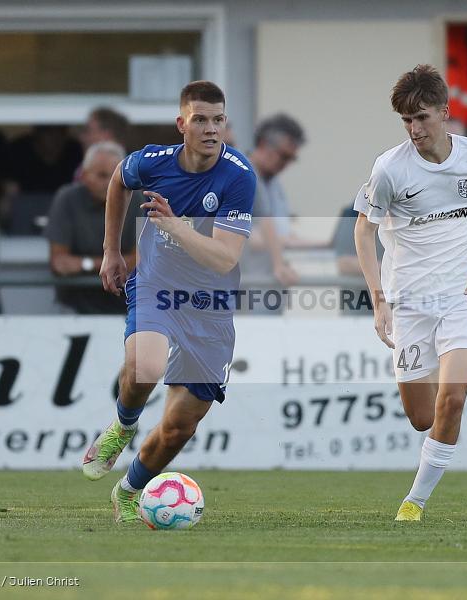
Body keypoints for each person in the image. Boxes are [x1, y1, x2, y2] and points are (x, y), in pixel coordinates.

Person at [81, 80, 256, 523]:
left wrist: (175, 226)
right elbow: (119, 179)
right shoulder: (155, 162)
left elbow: (224, 259)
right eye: (200, 119)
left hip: (210, 305)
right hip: (158, 285)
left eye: (219, 120)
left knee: (179, 427)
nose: (211, 129)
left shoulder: (239, 177)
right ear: (182, 124)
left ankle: (130, 488)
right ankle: (122, 425)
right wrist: (111, 250)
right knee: (146, 365)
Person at [353, 65, 467, 521]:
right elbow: (363, 234)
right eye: (406, 120)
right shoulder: (389, 168)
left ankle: (415, 501)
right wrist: (378, 298)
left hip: (461, 295)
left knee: (451, 399)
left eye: (422, 117)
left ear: (445, 113)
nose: (414, 129)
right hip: (409, 300)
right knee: (422, 417)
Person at [46, 141, 138, 314]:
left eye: (115, 176)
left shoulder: (138, 198)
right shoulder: (67, 199)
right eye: (103, 176)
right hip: (75, 304)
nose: (110, 183)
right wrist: (110, 264)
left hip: (128, 304)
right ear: (84, 175)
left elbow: (140, 262)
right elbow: (59, 263)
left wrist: (84, 264)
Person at [241, 113, 307, 290]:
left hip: (269, 289)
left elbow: (280, 232)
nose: (286, 164)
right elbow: (247, 239)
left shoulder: (274, 185)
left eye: (291, 159)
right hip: (244, 290)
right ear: (263, 144)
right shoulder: (243, 176)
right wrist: (280, 250)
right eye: (283, 156)